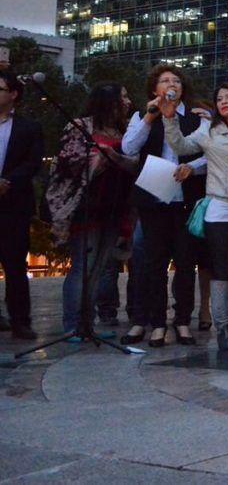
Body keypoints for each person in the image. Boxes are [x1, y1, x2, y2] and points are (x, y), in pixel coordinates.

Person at [162, 83, 228, 351]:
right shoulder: (208, 130)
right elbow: (181, 146)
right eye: (219, 98)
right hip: (221, 207)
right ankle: (223, 328)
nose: (223, 101)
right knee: (222, 269)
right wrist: (170, 118)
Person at [121, 65, 207, 347]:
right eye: (164, 80)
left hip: (186, 197)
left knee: (185, 262)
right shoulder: (142, 115)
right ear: (154, 88)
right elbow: (129, 148)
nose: (171, 84)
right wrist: (149, 116)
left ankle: (182, 320)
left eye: (176, 80)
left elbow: (212, 153)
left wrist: (192, 167)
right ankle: (156, 322)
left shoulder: (196, 116)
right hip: (154, 197)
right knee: (153, 262)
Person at [45, 83, 136, 339]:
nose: (128, 101)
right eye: (123, 96)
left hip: (115, 206)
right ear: (108, 101)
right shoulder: (80, 127)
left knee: (99, 267)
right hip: (88, 206)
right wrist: (97, 159)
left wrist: (115, 158)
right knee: (83, 266)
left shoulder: (126, 129)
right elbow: (67, 163)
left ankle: (88, 325)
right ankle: (72, 325)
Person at [0, 70, 43, 340]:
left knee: (15, 265)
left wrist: (7, 182)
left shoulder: (29, 127)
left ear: (13, 94)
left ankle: (20, 321)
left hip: (14, 203)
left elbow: (33, 162)